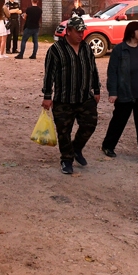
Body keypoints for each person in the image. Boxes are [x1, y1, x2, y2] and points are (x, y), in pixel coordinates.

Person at [41, 15, 101, 175]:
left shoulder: (86, 48)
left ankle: (76, 149)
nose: (81, 35)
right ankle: (66, 160)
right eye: (77, 31)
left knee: (90, 124)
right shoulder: (55, 50)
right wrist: (47, 96)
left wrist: (96, 89)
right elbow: (49, 74)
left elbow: (93, 69)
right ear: (68, 31)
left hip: (84, 96)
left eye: (82, 31)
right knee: (64, 131)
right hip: (63, 99)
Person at [101, 21, 138, 165]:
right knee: (118, 121)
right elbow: (112, 72)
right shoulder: (120, 50)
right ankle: (108, 146)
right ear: (132, 32)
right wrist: (113, 92)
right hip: (125, 94)